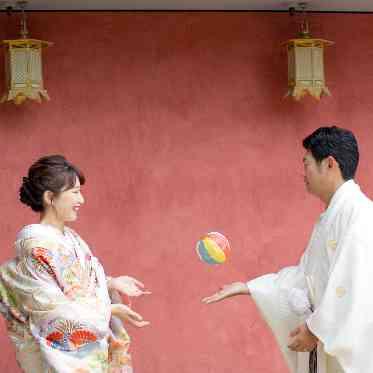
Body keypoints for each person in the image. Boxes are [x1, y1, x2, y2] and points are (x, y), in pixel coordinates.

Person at [203, 126, 373, 373]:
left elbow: (351, 285)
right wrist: (249, 287)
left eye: (306, 164)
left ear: (329, 164)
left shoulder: (360, 215)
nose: (303, 173)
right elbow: (305, 277)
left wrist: (315, 329)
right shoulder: (332, 218)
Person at [0, 155, 150, 372]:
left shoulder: (71, 238)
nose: (81, 200)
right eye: (75, 193)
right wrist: (109, 311)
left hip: (93, 349)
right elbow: (50, 311)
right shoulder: (36, 245)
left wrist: (110, 283)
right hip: (65, 361)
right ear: (50, 197)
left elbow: (79, 285)